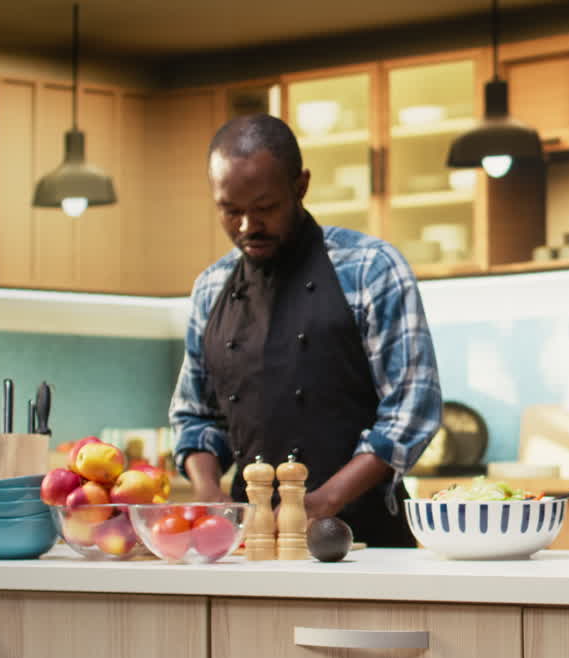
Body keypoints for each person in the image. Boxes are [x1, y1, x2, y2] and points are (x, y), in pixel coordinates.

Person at [169, 113, 442, 548]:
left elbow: (413, 411)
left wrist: (325, 500)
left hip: (363, 538)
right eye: (230, 210)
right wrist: (207, 493)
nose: (246, 227)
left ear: (300, 187)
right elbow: (195, 416)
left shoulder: (371, 268)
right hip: (251, 542)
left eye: (264, 208)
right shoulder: (210, 287)